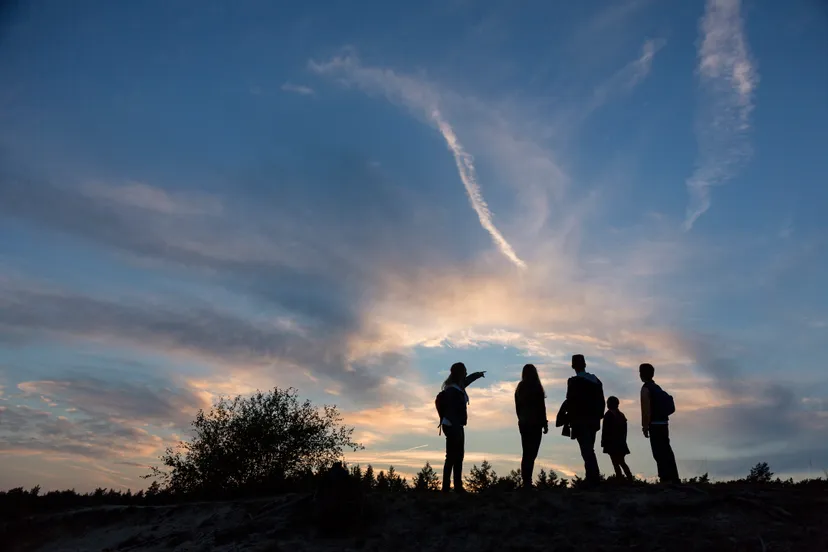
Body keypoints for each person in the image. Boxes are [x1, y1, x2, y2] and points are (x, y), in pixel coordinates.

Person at [436, 362, 486, 492]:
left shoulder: (456, 386)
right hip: (453, 426)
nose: (466, 373)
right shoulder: (453, 390)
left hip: (455, 425)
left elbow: (468, 380)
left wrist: (478, 375)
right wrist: (455, 426)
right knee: (453, 456)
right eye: (465, 371)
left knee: (457, 456)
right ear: (460, 373)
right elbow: (452, 409)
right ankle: (448, 487)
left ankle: (454, 486)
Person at [565, 354, 605, 484]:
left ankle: (593, 478)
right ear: (585, 365)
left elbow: (570, 401)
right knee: (589, 448)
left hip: (579, 420)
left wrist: (568, 419)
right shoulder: (596, 381)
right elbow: (601, 402)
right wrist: (599, 416)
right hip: (593, 420)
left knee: (586, 449)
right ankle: (592, 477)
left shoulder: (573, 382)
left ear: (573, 366)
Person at [639, 363, 679, 483]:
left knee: (658, 452)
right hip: (664, 423)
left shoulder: (646, 389)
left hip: (654, 425)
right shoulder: (656, 387)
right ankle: (673, 477)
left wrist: (644, 426)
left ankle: (665, 478)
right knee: (666, 450)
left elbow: (645, 409)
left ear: (642, 374)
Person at [514, 364, 548, 489]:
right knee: (532, 453)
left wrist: (521, 419)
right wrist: (544, 423)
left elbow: (517, 407)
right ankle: (527, 481)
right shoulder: (537, 387)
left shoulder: (520, 387)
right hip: (535, 423)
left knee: (526, 452)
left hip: (524, 423)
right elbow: (541, 407)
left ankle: (526, 481)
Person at [601, 396, 633, 481]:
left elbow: (605, 430)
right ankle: (628, 478)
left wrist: (603, 442)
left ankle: (621, 478)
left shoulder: (608, 415)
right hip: (621, 443)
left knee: (616, 462)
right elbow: (625, 430)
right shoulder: (621, 415)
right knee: (621, 462)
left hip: (612, 443)